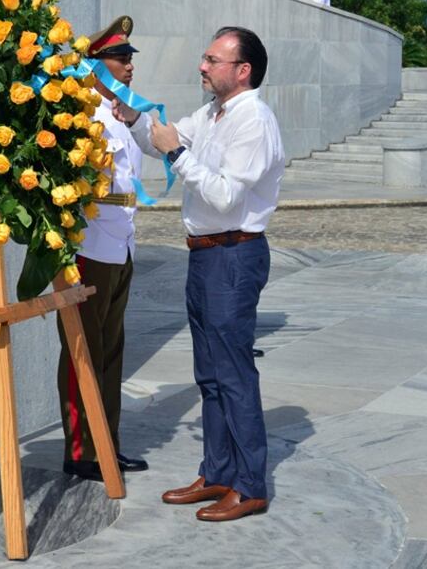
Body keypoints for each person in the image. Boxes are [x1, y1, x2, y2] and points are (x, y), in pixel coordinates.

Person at [111, 27, 284, 522]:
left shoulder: (254, 120)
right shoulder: (212, 113)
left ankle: (249, 485)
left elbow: (227, 195)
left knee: (233, 375)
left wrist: (176, 154)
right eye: (205, 58)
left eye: (213, 60)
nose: (203, 67)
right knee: (209, 375)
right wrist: (128, 114)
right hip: (206, 254)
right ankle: (219, 472)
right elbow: (160, 135)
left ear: (243, 70)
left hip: (235, 254)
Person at [57, 15, 149, 482]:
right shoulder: (80, 114)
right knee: (83, 349)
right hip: (90, 243)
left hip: (121, 240)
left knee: (112, 349)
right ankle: (81, 449)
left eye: (130, 58)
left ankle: (106, 442)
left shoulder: (119, 113)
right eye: (119, 58)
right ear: (95, 64)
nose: (129, 66)